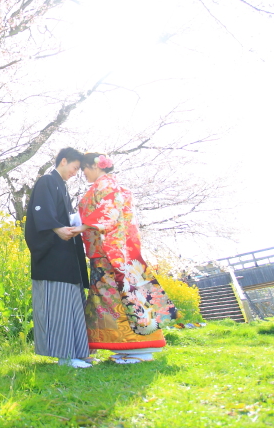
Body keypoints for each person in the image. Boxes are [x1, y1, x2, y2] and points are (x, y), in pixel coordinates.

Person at [74, 152, 178, 364]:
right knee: (129, 296)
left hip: (109, 252)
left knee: (115, 298)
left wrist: (81, 227)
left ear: (95, 167)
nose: (83, 173)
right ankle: (127, 349)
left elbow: (107, 214)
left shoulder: (106, 187)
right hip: (121, 250)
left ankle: (135, 349)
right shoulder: (115, 187)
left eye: (84, 168)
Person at [24, 147, 92, 368]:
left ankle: (79, 352)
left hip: (65, 253)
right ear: (63, 161)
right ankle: (65, 356)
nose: (75, 172)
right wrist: (56, 229)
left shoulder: (60, 185)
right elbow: (40, 213)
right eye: (74, 167)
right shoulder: (46, 181)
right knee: (59, 305)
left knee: (73, 301)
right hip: (52, 256)